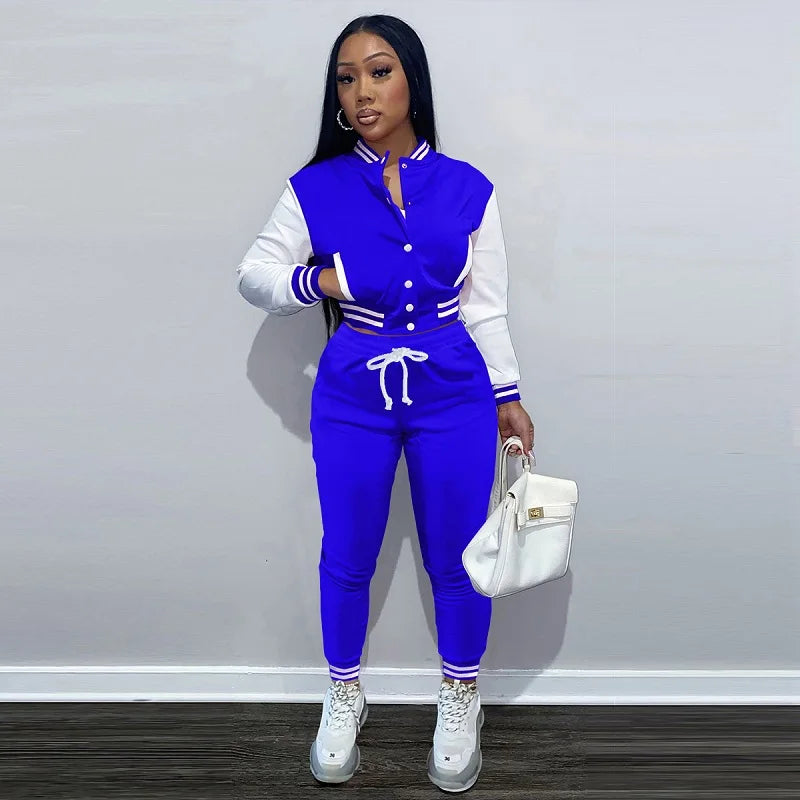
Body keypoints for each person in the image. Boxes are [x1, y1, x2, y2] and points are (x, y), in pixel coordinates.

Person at [235, 14, 535, 794]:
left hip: (453, 390)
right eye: (347, 78)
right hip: (351, 394)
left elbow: (485, 306)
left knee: (459, 554)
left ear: (412, 82)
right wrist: (321, 280)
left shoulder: (469, 188)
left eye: (379, 71)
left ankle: (460, 694)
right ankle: (344, 693)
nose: (362, 92)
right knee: (347, 551)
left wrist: (507, 395)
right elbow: (254, 274)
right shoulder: (317, 187)